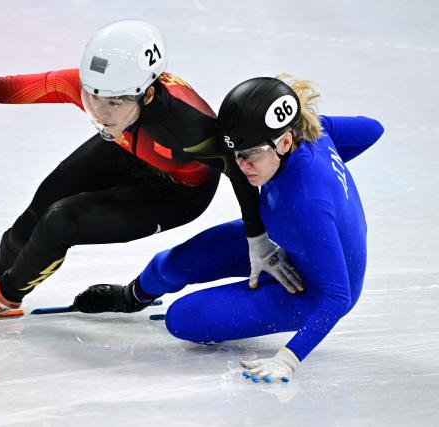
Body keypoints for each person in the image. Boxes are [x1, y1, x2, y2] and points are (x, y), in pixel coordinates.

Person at [0, 20, 301, 321]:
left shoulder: (189, 125)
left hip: (175, 192)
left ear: (145, 94)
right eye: (92, 96)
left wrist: (258, 239)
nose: (99, 110)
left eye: (114, 101)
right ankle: (4, 270)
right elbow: (3, 88)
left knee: (64, 218)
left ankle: (7, 296)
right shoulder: (92, 94)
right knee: (47, 195)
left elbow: (237, 171)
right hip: (129, 150)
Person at [73, 75, 384, 383]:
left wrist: (289, 359)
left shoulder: (309, 203)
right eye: (236, 153)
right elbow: (372, 129)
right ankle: (133, 296)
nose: (241, 165)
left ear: (284, 142)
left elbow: (338, 296)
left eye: (250, 154)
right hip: (287, 237)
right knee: (169, 264)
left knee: (183, 319)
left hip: (312, 288)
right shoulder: (310, 133)